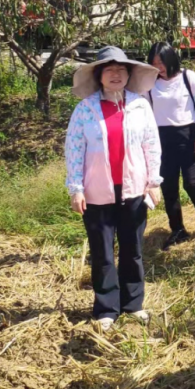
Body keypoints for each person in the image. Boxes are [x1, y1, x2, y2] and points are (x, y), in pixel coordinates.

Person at [65, 46, 162, 331]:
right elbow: (74, 149)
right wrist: (76, 188)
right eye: (110, 70)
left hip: (133, 191)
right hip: (97, 194)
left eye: (121, 69)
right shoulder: (85, 110)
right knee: (103, 252)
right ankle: (106, 308)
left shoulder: (140, 105)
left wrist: (154, 181)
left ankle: (133, 304)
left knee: (132, 249)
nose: (116, 74)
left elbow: (151, 144)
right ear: (99, 76)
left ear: (129, 74)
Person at [147, 42, 195, 251]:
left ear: (170, 59)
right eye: (154, 64)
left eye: (161, 62)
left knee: (192, 182)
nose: (158, 67)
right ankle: (177, 229)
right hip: (161, 139)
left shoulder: (188, 76)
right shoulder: (149, 83)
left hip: (188, 136)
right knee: (169, 187)